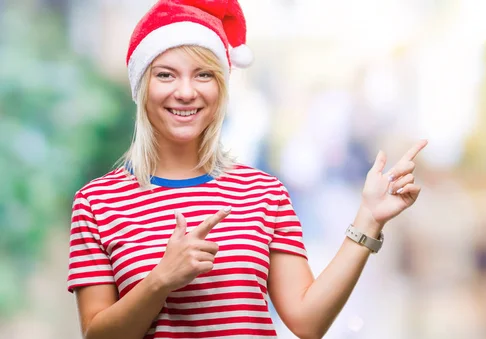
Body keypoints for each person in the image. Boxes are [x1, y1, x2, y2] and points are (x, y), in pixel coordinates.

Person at [66, 1, 428, 338]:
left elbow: (308, 321)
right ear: (142, 86)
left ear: (221, 87)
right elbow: (97, 334)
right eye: (165, 75)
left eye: (203, 75)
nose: (186, 91)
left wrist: (368, 219)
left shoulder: (264, 193)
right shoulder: (97, 203)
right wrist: (161, 279)